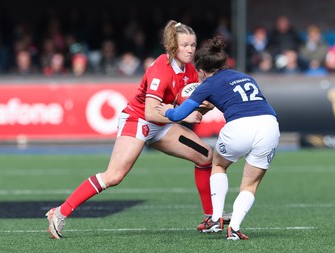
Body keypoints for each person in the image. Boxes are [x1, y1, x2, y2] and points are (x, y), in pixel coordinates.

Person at [45, 20, 222, 239]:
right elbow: (149, 113)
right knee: (114, 176)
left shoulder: (190, 71)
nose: (190, 49)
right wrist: (185, 114)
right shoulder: (161, 69)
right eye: (185, 45)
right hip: (138, 120)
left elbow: (200, 103)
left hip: (163, 124)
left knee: (205, 156)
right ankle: (59, 213)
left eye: (193, 45)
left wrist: (205, 107)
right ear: (172, 46)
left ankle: (210, 218)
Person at [157, 36, 280, 240]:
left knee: (218, 165)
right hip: (269, 125)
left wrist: (168, 111)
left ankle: (215, 219)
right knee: (250, 185)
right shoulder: (246, 77)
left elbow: (179, 116)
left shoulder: (207, 84)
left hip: (239, 126)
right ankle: (235, 228)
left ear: (202, 71)